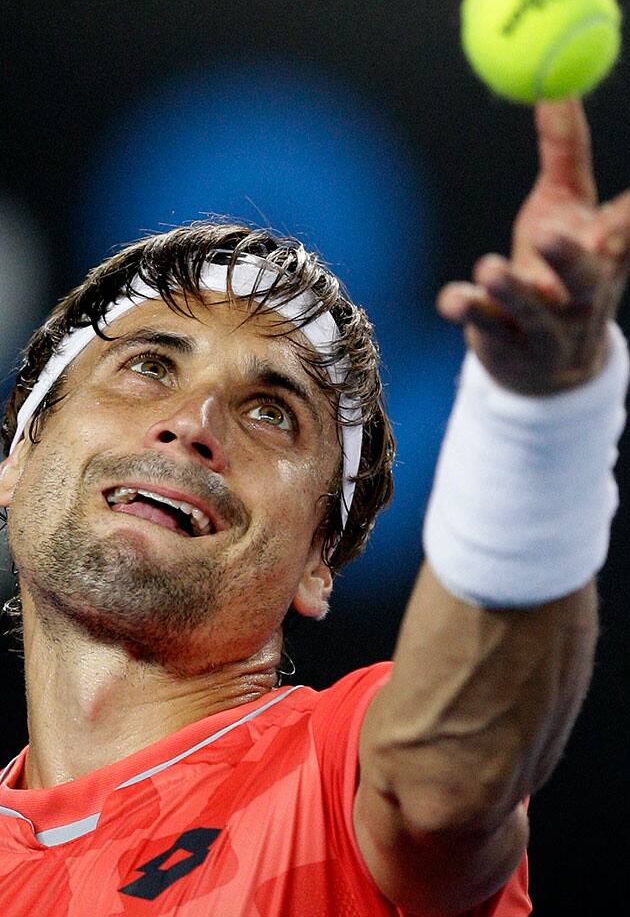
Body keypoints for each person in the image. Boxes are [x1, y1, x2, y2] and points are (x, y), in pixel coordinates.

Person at [0, 97, 627, 917]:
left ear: (317, 566)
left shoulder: (339, 782)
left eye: (271, 412)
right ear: (17, 456)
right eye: (150, 365)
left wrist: (542, 414)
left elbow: (445, 783)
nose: (195, 423)